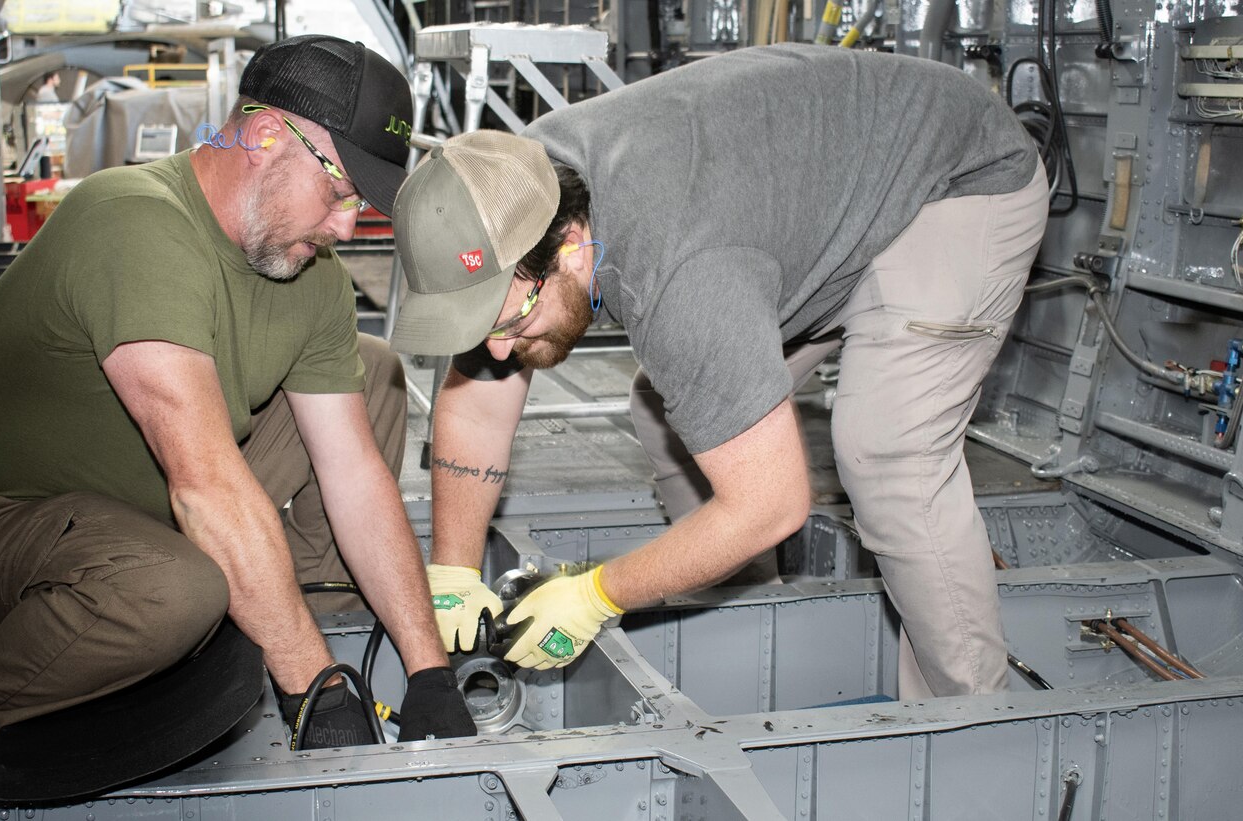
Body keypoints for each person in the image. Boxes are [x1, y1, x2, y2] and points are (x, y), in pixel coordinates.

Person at [0, 35, 472, 787]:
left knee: (372, 374)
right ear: (269, 135)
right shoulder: (133, 220)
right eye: (341, 192)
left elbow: (353, 472)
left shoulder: (309, 276)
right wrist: (316, 686)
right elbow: (204, 483)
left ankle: (294, 609)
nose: (345, 226)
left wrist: (429, 667)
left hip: (138, 514)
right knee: (173, 587)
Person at [391, 44, 1048, 698]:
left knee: (888, 452)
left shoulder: (676, 273)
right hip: (822, 201)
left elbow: (774, 503)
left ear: (567, 244)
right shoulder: (507, 194)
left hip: (955, 182)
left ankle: (973, 718)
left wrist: (597, 593)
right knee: (667, 412)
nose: (498, 353)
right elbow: (479, 398)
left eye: (511, 323)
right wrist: (451, 570)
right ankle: (762, 619)